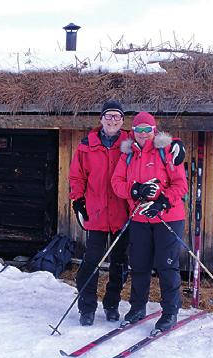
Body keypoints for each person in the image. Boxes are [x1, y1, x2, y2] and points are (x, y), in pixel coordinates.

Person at [111, 111, 188, 333]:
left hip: (168, 217)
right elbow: (117, 183)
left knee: (166, 264)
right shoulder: (128, 155)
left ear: (153, 130)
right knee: (139, 264)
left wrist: (162, 202)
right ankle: (137, 308)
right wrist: (134, 189)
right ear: (133, 132)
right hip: (139, 216)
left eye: (147, 129)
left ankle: (170, 311)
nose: (143, 134)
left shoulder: (167, 151)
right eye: (138, 130)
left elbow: (180, 184)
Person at [69, 99, 130, 326]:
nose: (112, 120)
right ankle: (87, 307)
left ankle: (112, 304)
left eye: (117, 116)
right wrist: (78, 200)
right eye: (108, 116)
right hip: (96, 213)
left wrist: (176, 146)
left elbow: (153, 138)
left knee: (119, 262)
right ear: (101, 119)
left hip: (122, 214)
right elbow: (77, 176)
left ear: (122, 121)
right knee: (91, 261)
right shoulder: (87, 145)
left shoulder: (130, 142)